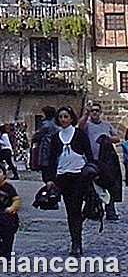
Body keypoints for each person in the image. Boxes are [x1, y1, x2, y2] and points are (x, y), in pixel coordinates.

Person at [42, 105, 95, 256]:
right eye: (61, 117)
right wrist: (49, 179)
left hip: (78, 176)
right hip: (63, 177)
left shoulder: (79, 134)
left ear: (71, 118)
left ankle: (76, 241)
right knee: (71, 210)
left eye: (66, 117)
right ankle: (75, 239)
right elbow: (51, 160)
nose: (63, 120)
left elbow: (89, 154)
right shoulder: (56, 138)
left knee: (76, 208)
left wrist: (93, 170)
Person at [78, 101, 120, 220]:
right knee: (92, 187)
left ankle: (110, 211)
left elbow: (117, 138)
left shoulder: (106, 125)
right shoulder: (87, 125)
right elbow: (79, 128)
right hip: (91, 160)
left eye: (97, 110)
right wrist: (86, 114)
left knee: (108, 185)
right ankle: (94, 210)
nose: (95, 112)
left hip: (106, 161)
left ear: (100, 112)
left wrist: (108, 138)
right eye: (93, 111)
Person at [31, 105, 60, 171]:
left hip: (46, 148)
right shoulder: (55, 124)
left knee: (46, 169)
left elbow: (37, 135)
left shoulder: (46, 125)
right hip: (53, 148)